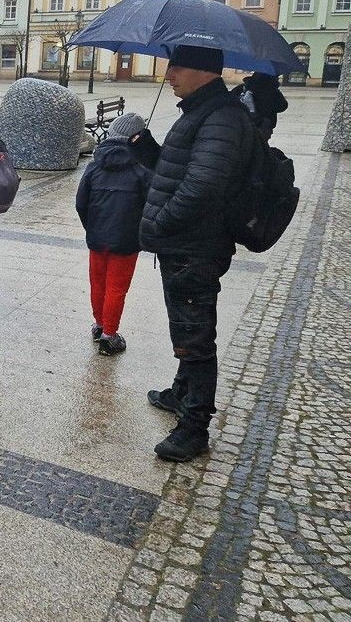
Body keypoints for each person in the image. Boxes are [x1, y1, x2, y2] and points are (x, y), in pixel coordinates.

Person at [132, 45, 254, 463]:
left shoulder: (221, 116)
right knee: (185, 326)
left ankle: (194, 426)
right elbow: (180, 167)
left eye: (176, 66)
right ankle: (180, 393)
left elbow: (203, 187)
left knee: (195, 335)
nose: (169, 75)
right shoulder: (202, 111)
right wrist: (145, 148)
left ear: (203, 70)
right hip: (186, 244)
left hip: (194, 246)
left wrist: (160, 223)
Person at [75, 113, 152, 356]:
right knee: (117, 287)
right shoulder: (142, 168)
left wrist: (92, 226)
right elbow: (151, 203)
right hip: (126, 239)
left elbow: (81, 203)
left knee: (97, 282)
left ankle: (99, 324)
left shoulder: (94, 165)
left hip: (97, 237)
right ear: (136, 137)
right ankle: (110, 335)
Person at [231, 72, 288, 140]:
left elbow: (231, 100)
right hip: (263, 126)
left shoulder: (242, 87)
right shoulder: (272, 91)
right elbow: (282, 106)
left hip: (242, 123)